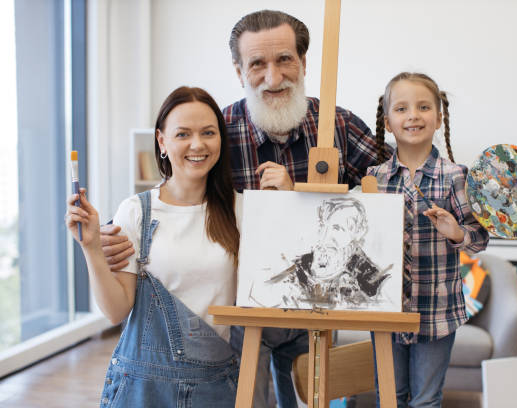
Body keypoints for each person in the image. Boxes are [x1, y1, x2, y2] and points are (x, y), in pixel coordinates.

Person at [100, 10, 392, 408]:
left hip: (313, 315)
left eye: (284, 59)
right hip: (241, 321)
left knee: (313, 402)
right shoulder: (219, 130)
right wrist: (119, 231)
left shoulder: (336, 125)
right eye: (257, 63)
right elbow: (178, 190)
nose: (272, 78)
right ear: (239, 71)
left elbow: (394, 189)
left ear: (304, 63)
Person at [367, 72, 517, 408]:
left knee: (426, 400)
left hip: (437, 312)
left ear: (439, 117)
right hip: (385, 312)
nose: (413, 115)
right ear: (388, 121)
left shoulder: (457, 177)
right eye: (401, 108)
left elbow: (478, 240)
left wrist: (456, 232)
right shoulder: (374, 179)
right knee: (390, 397)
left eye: (423, 106)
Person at [66, 86, 241, 407]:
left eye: (208, 133)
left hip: (216, 388)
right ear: (162, 141)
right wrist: (90, 248)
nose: (197, 144)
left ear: (220, 139)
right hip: (142, 391)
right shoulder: (136, 211)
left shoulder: (240, 211)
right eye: (183, 134)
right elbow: (116, 310)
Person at [248, 196, 392, 309]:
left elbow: (379, 304)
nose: (325, 236)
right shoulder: (304, 264)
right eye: (323, 226)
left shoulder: (370, 277)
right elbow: (261, 292)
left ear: (357, 233)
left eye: (337, 228)